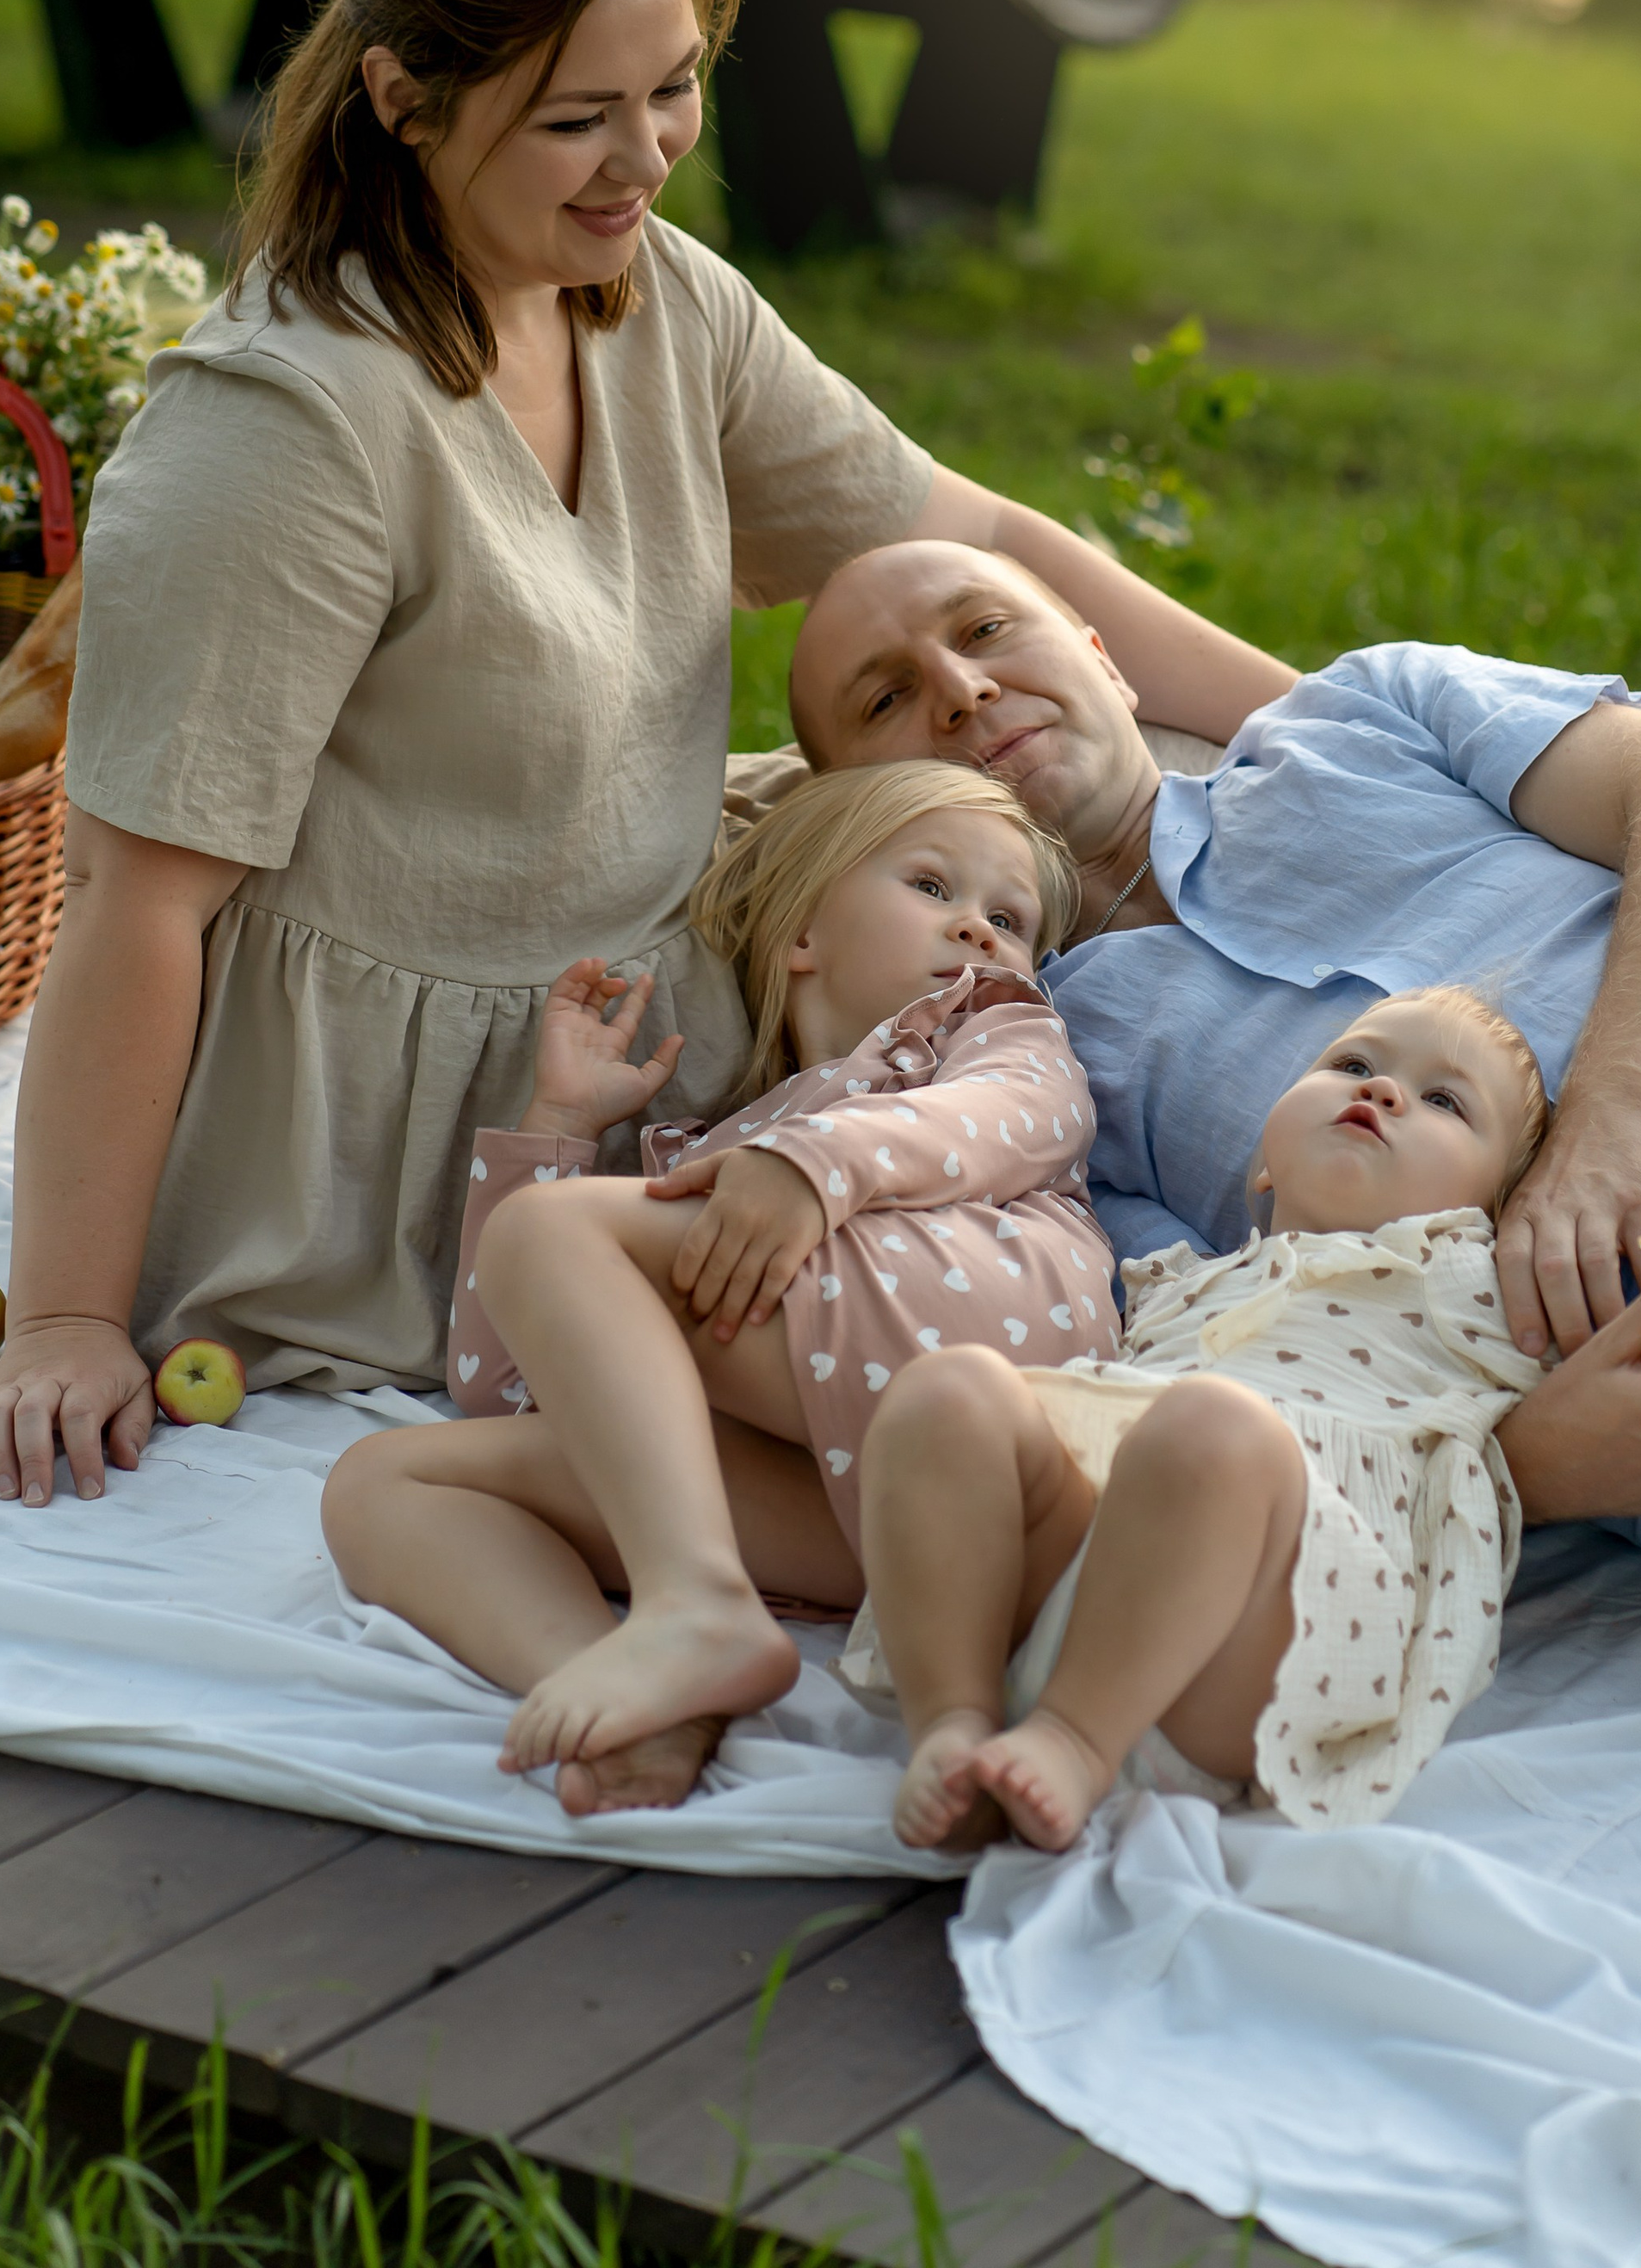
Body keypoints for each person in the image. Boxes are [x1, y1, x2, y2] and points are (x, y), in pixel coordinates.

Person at [0, 0, 1281, 1515]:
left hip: (678, 1033)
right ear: (400, 98)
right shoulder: (285, 438)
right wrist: (63, 1315)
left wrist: (1306, 716)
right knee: (939, 1331)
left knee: (1066, 944)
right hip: (394, 1162)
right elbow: (138, 899)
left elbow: (967, 537)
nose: (644, 158)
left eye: (672, 89)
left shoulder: (655, 302)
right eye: (576, 119)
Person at [787, 542, 1641, 1802]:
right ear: (856, 804)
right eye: (889, 698)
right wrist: (1521, 1459)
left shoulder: (1364, 710)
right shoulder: (1036, 1094)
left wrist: (1610, 1126)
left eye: (983, 629)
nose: (961, 690)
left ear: (1099, 654)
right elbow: (1226, 1391)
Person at [321, 763, 1111, 1812]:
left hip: (984, 1377)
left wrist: (819, 1166)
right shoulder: (713, 1157)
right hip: (858, 1517)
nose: (977, 932)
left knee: (550, 1237)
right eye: (932, 888)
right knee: (385, 1483)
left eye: (1008, 918)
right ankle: (639, 1692)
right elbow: (506, 1379)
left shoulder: (985, 1029)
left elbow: (1020, 1114)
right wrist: (559, 1127)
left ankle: (690, 1600)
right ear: (801, 938)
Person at [860, 985, 1641, 1855]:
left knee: (1211, 1430)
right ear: (1264, 1160)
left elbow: (1621, 1375)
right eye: (1351, 1066)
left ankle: (1072, 1740)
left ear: (1499, 1214)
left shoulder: (1474, 1283)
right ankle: (953, 1718)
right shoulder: (1177, 1279)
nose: (1382, 1089)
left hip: (1272, 1631)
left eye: (1444, 1103)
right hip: (1088, 1572)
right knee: (953, 1390)